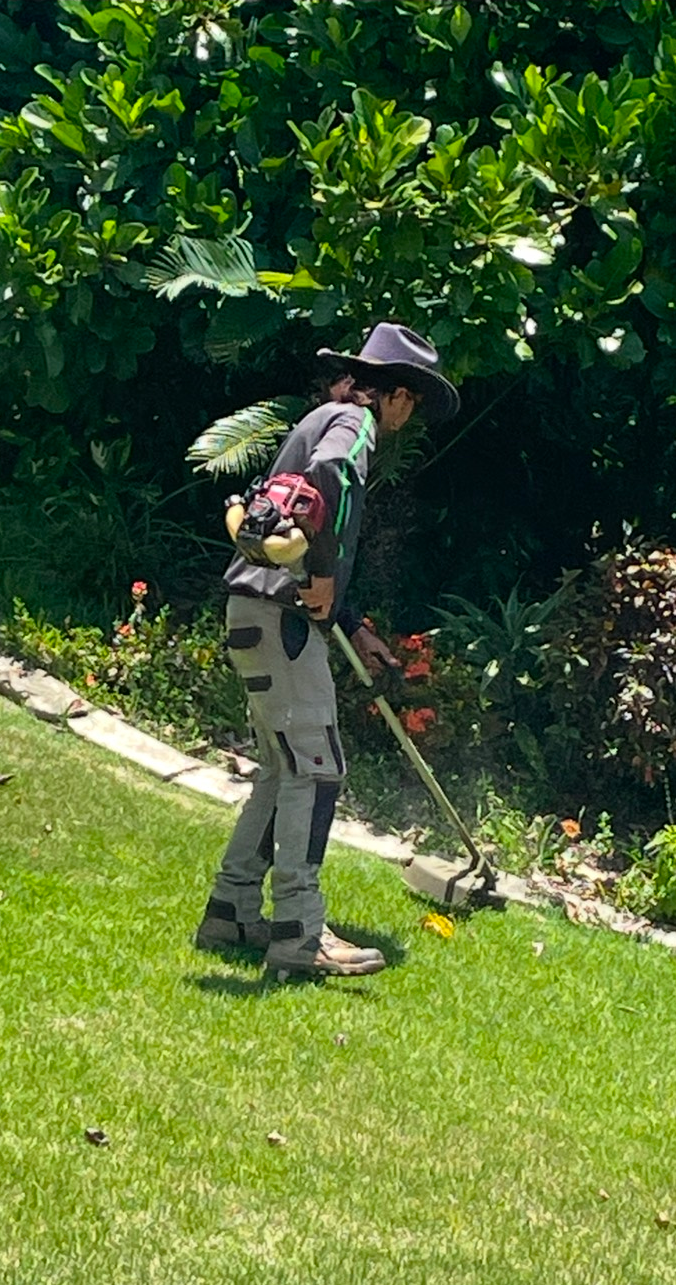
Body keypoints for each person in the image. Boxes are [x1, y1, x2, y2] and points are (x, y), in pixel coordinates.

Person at [194, 322, 460, 979]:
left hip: (257, 613)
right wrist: (317, 571)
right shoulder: (355, 425)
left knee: (285, 770)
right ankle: (300, 936)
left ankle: (230, 913)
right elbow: (332, 479)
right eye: (413, 401)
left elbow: (302, 506)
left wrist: (349, 619)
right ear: (396, 394)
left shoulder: (324, 414)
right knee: (317, 769)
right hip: (280, 621)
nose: (410, 415)